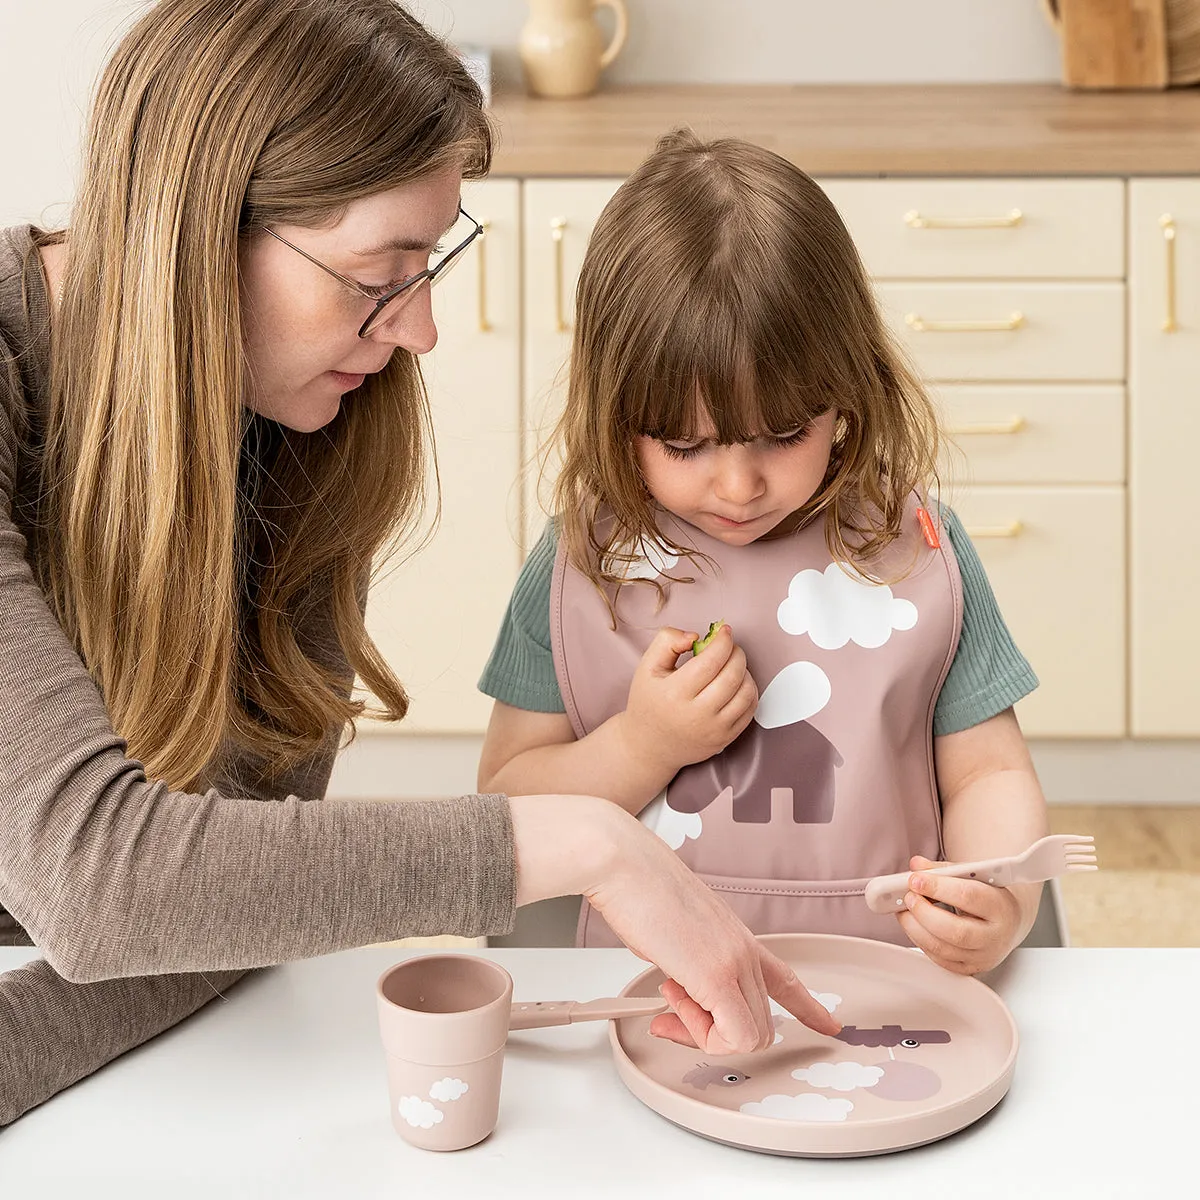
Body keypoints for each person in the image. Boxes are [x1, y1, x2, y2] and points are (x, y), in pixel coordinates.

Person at [0, 3, 840, 1127]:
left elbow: (228, 904)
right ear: (203, 227)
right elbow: (113, 883)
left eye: (429, 262)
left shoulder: (287, 423)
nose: (422, 328)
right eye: (378, 273)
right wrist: (586, 841)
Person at [478, 129, 1051, 973]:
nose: (739, 485)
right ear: (615, 415)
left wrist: (999, 897)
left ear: (847, 391)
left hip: (883, 982)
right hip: (644, 987)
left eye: (783, 434)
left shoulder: (916, 550)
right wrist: (642, 745)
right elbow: (502, 811)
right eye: (684, 445)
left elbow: (989, 777)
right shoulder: (582, 567)